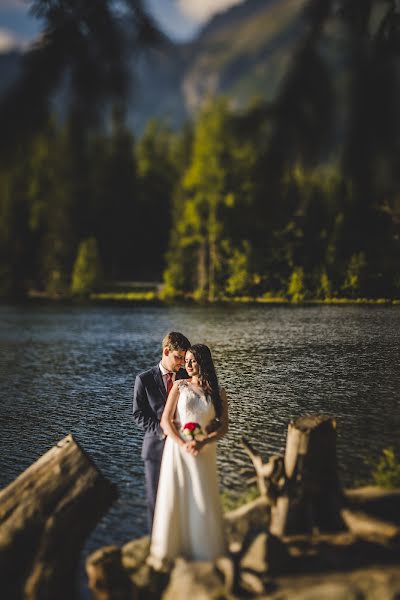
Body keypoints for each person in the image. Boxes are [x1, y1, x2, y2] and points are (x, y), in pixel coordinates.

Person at [148, 343, 228, 569]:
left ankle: (204, 549)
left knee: (202, 494)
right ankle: (173, 549)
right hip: (180, 450)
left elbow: (223, 427)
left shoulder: (218, 392)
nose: (189, 365)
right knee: (179, 493)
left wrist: (203, 440)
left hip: (205, 450)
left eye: (193, 360)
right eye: (187, 360)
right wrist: (183, 443)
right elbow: (166, 421)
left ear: (204, 362)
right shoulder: (179, 386)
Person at [133, 331, 191, 531]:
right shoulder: (144, 380)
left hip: (182, 447)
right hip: (155, 449)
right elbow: (139, 415)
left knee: (180, 498)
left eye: (184, 358)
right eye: (178, 357)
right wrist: (163, 430)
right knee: (156, 501)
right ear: (166, 351)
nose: (182, 363)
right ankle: (155, 545)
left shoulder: (186, 377)